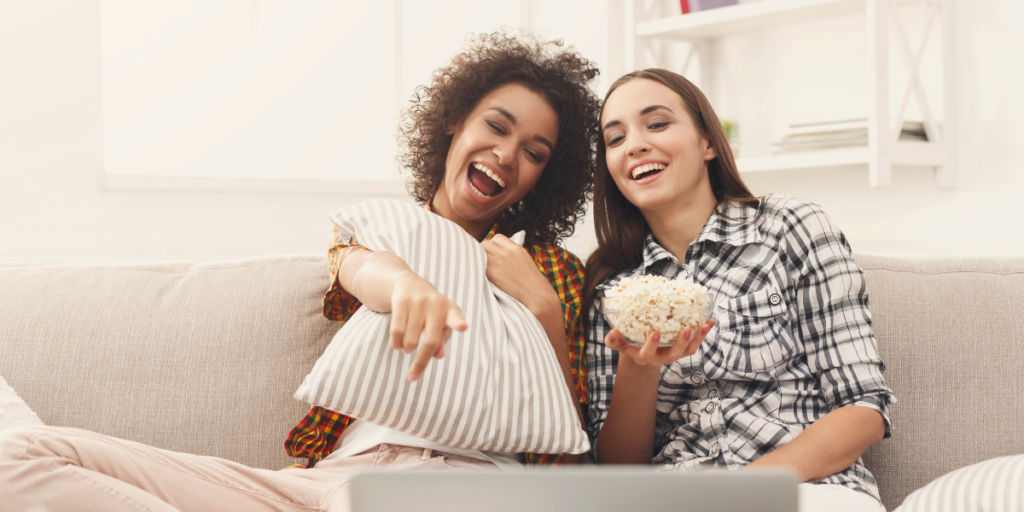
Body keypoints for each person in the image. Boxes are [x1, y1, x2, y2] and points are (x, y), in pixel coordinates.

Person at [0, 32, 600, 512]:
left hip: (459, 485)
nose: (506, 153)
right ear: (455, 123)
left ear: (544, 177)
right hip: (325, 483)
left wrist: (544, 314)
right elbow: (358, 268)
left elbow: (567, 467)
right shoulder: (379, 228)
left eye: (534, 152)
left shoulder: (551, 270)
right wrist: (402, 283)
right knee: (19, 459)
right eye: (496, 126)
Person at [583, 68, 895, 512]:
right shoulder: (610, 287)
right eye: (615, 139)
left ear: (708, 142)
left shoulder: (790, 227)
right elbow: (617, 470)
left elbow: (864, 408)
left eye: (657, 124)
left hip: (806, 491)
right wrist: (639, 367)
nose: (634, 144)